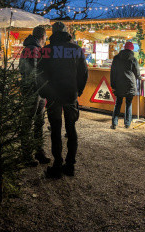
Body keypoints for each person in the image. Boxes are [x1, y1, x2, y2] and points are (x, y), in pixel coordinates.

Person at [38, 22, 88, 178]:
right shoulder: (76, 49)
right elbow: (83, 74)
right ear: (67, 32)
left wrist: (45, 92)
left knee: (56, 130)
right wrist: (77, 91)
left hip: (53, 95)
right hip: (70, 94)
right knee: (71, 129)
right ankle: (70, 165)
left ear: (52, 32)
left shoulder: (47, 49)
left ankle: (57, 164)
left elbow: (40, 74)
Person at [18, 26, 51, 166]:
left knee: (37, 121)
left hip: (35, 90)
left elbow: (22, 69)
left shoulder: (28, 48)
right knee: (30, 122)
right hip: (35, 90)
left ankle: (37, 151)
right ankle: (27, 155)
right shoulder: (34, 50)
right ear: (42, 37)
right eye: (45, 38)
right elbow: (37, 72)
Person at [110, 42, 141, 129]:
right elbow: (137, 73)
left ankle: (114, 123)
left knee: (118, 103)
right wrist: (140, 78)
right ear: (131, 49)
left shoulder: (116, 58)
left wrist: (113, 85)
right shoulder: (133, 59)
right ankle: (127, 124)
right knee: (128, 103)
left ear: (124, 48)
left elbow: (113, 72)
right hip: (130, 84)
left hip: (119, 83)